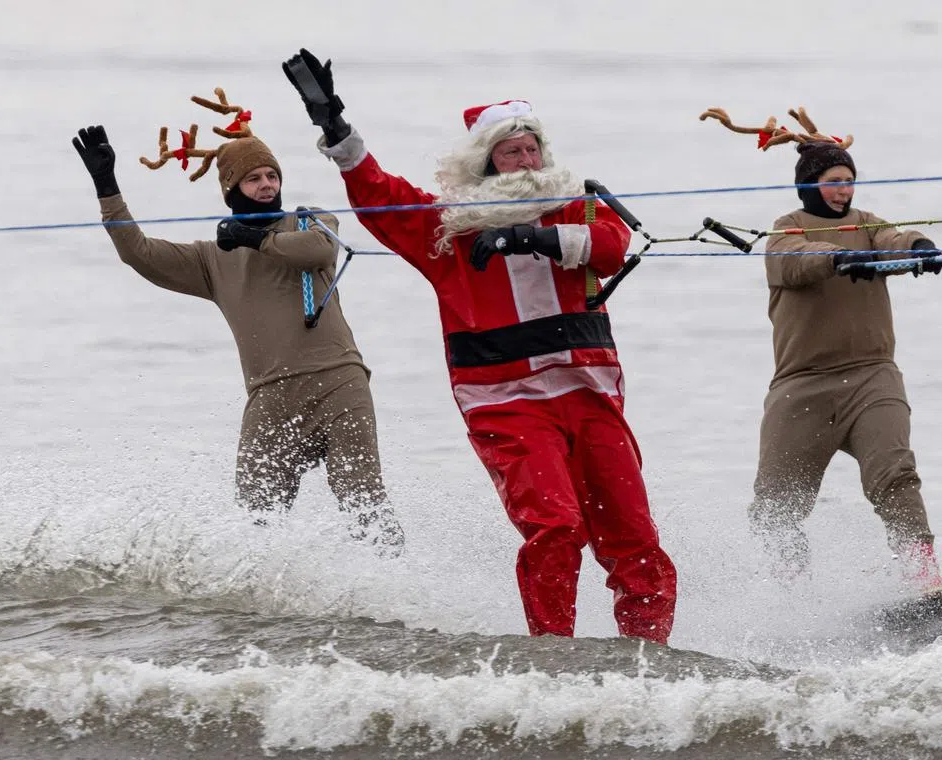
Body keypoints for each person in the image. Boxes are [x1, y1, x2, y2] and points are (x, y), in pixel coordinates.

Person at [282, 49, 676, 643]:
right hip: (507, 403)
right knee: (556, 529)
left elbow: (611, 245)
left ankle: (651, 665)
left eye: (531, 148)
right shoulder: (446, 229)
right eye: (510, 151)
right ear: (486, 162)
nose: (525, 160)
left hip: (592, 398)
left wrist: (530, 235)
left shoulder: (575, 205)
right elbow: (379, 196)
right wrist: (335, 127)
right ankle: (551, 661)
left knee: (636, 540)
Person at [70, 91, 404, 557]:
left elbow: (317, 253)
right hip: (270, 397)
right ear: (231, 189)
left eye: (272, 175)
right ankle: (261, 616)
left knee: (363, 505)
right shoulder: (212, 258)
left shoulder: (310, 221)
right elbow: (139, 255)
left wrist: (254, 238)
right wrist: (108, 188)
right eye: (253, 179)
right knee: (255, 523)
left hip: (339, 385)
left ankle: (394, 593)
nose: (267, 184)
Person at [712, 107, 942, 591]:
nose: (844, 190)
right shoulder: (785, 231)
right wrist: (841, 258)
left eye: (849, 181)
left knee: (895, 475)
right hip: (803, 388)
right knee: (775, 506)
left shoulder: (866, 223)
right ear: (808, 185)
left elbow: (891, 239)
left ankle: (924, 579)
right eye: (834, 181)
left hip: (872, 377)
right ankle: (794, 596)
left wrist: (919, 248)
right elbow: (798, 263)